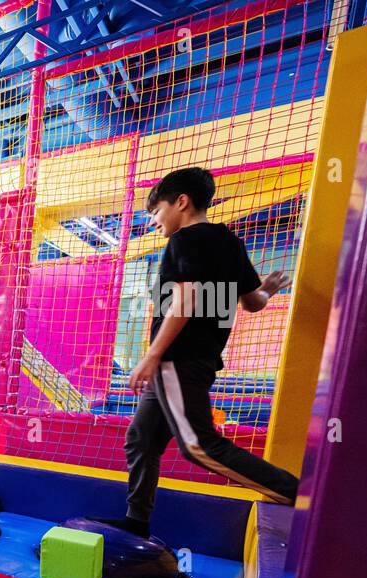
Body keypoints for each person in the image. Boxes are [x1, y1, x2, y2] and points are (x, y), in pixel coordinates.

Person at [111, 166, 299, 537]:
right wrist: (270, 288)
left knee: (199, 446)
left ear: (181, 202)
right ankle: (136, 524)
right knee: (142, 438)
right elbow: (252, 302)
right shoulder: (230, 242)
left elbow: (187, 298)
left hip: (176, 359)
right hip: (198, 359)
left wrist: (151, 356)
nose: (154, 222)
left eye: (155, 211)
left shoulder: (183, 240)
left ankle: (300, 495)